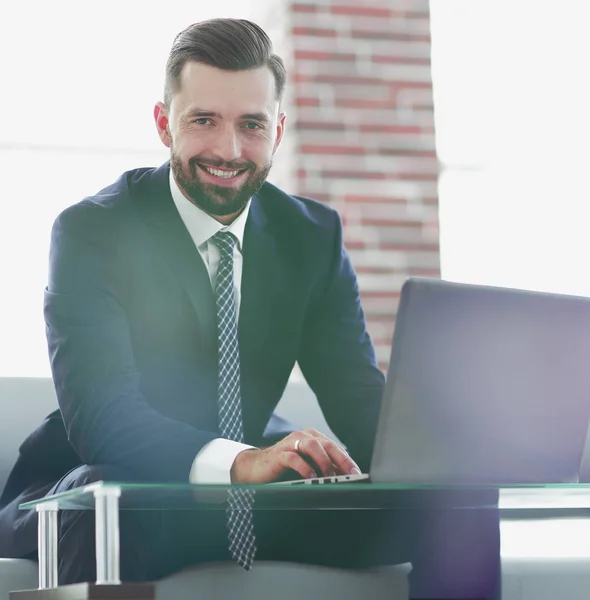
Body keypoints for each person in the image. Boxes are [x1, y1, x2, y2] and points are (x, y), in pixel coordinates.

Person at [0, 18, 500, 599]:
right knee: (113, 500)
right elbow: (104, 418)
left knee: (457, 503)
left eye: (251, 125)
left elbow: (357, 396)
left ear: (278, 130)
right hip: (103, 486)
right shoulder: (95, 231)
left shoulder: (310, 238)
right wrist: (243, 463)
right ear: (165, 125)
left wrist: (455, 459)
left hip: (255, 499)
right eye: (204, 120)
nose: (229, 150)